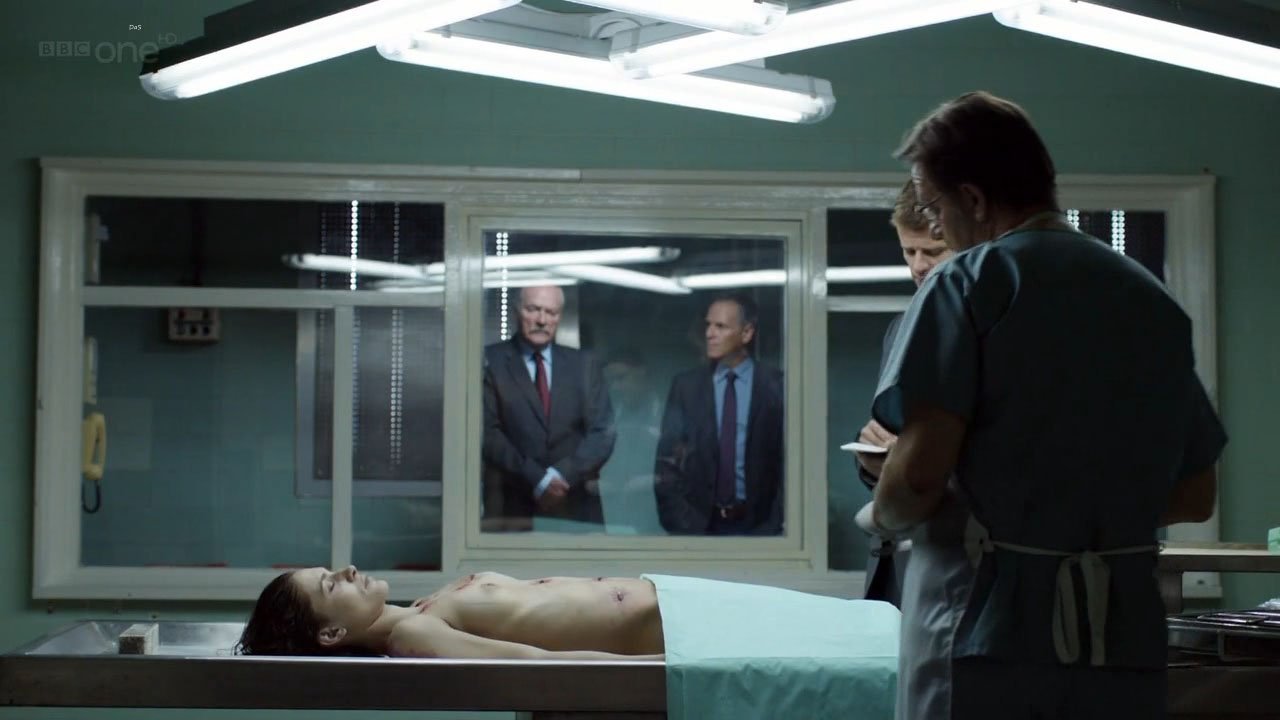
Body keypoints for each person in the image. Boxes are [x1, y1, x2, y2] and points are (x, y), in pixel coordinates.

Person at [861, 91, 1226, 719]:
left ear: (973, 200)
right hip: (1119, 636)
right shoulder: (1147, 299)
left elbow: (916, 481)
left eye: (935, 208)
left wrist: (882, 513)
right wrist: (1076, 519)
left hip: (984, 630)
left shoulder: (968, 283)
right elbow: (1195, 495)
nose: (936, 228)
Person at [854, 181, 954, 608]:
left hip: (953, 558)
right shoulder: (901, 328)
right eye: (908, 252)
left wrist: (910, 457)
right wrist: (872, 457)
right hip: (892, 559)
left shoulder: (994, 332)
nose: (918, 266)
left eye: (932, 252)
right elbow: (890, 432)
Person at [236, 566, 664, 659]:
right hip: (667, 633)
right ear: (331, 633)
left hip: (668, 597)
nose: (347, 570)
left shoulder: (423, 609)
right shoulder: (412, 635)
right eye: (331, 585)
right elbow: (536, 662)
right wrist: (664, 665)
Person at [482, 285, 616, 531]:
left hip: (576, 505)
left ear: (559, 317)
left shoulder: (584, 364)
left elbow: (602, 432)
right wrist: (538, 479)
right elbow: (487, 433)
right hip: (514, 507)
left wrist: (560, 476)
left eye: (551, 312)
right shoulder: (491, 361)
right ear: (516, 310)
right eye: (533, 309)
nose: (542, 320)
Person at [653, 294, 784, 535]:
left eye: (720, 326)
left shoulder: (776, 385)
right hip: (699, 526)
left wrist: (774, 524)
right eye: (708, 325)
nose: (709, 334)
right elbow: (667, 461)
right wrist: (682, 523)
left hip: (760, 528)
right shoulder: (687, 387)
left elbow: (788, 462)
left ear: (746, 333)